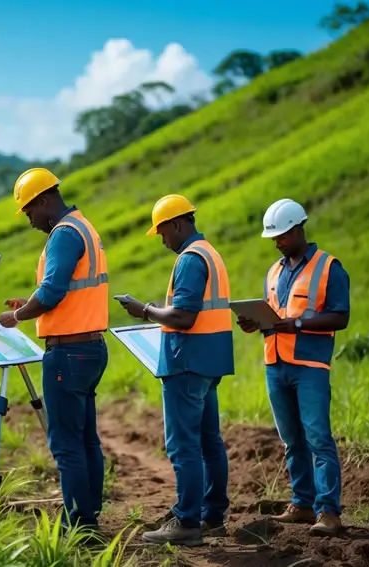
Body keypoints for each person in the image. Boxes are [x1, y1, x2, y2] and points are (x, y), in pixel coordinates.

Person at [0, 167, 109, 533]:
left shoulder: (63, 235)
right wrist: (27, 303)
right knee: (86, 437)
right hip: (90, 347)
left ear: (44, 201)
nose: (30, 220)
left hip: (68, 352)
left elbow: (51, 293)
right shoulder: (84, 227)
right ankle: (90, 511)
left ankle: (80, 523)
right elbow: (63, 291)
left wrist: (18, 315)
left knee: (66, 444)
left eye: (29, 212)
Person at [116, 194, 233, 546]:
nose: (162, 239)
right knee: (210, 442)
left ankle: (186, 521)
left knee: (183, 446)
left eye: (163, 232)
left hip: (186, 363)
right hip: (208, 362)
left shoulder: (191, 260)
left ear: (178, 224)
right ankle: (211, 515)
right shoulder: (210, 253)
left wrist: (145, 310)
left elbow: (183, 316)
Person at [235, 198, 349, 536]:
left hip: (310, 365)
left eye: (282, 236)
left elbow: (341, 316)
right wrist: (255, 323)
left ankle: (328, 511)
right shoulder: (274, 270)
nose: (277, 242)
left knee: (318, 438)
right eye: (274, 238)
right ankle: (302, 504)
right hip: (276, 363)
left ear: (299, 229)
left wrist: (296, 324)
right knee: (291, 439)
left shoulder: (329, 267)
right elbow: (273, 314)